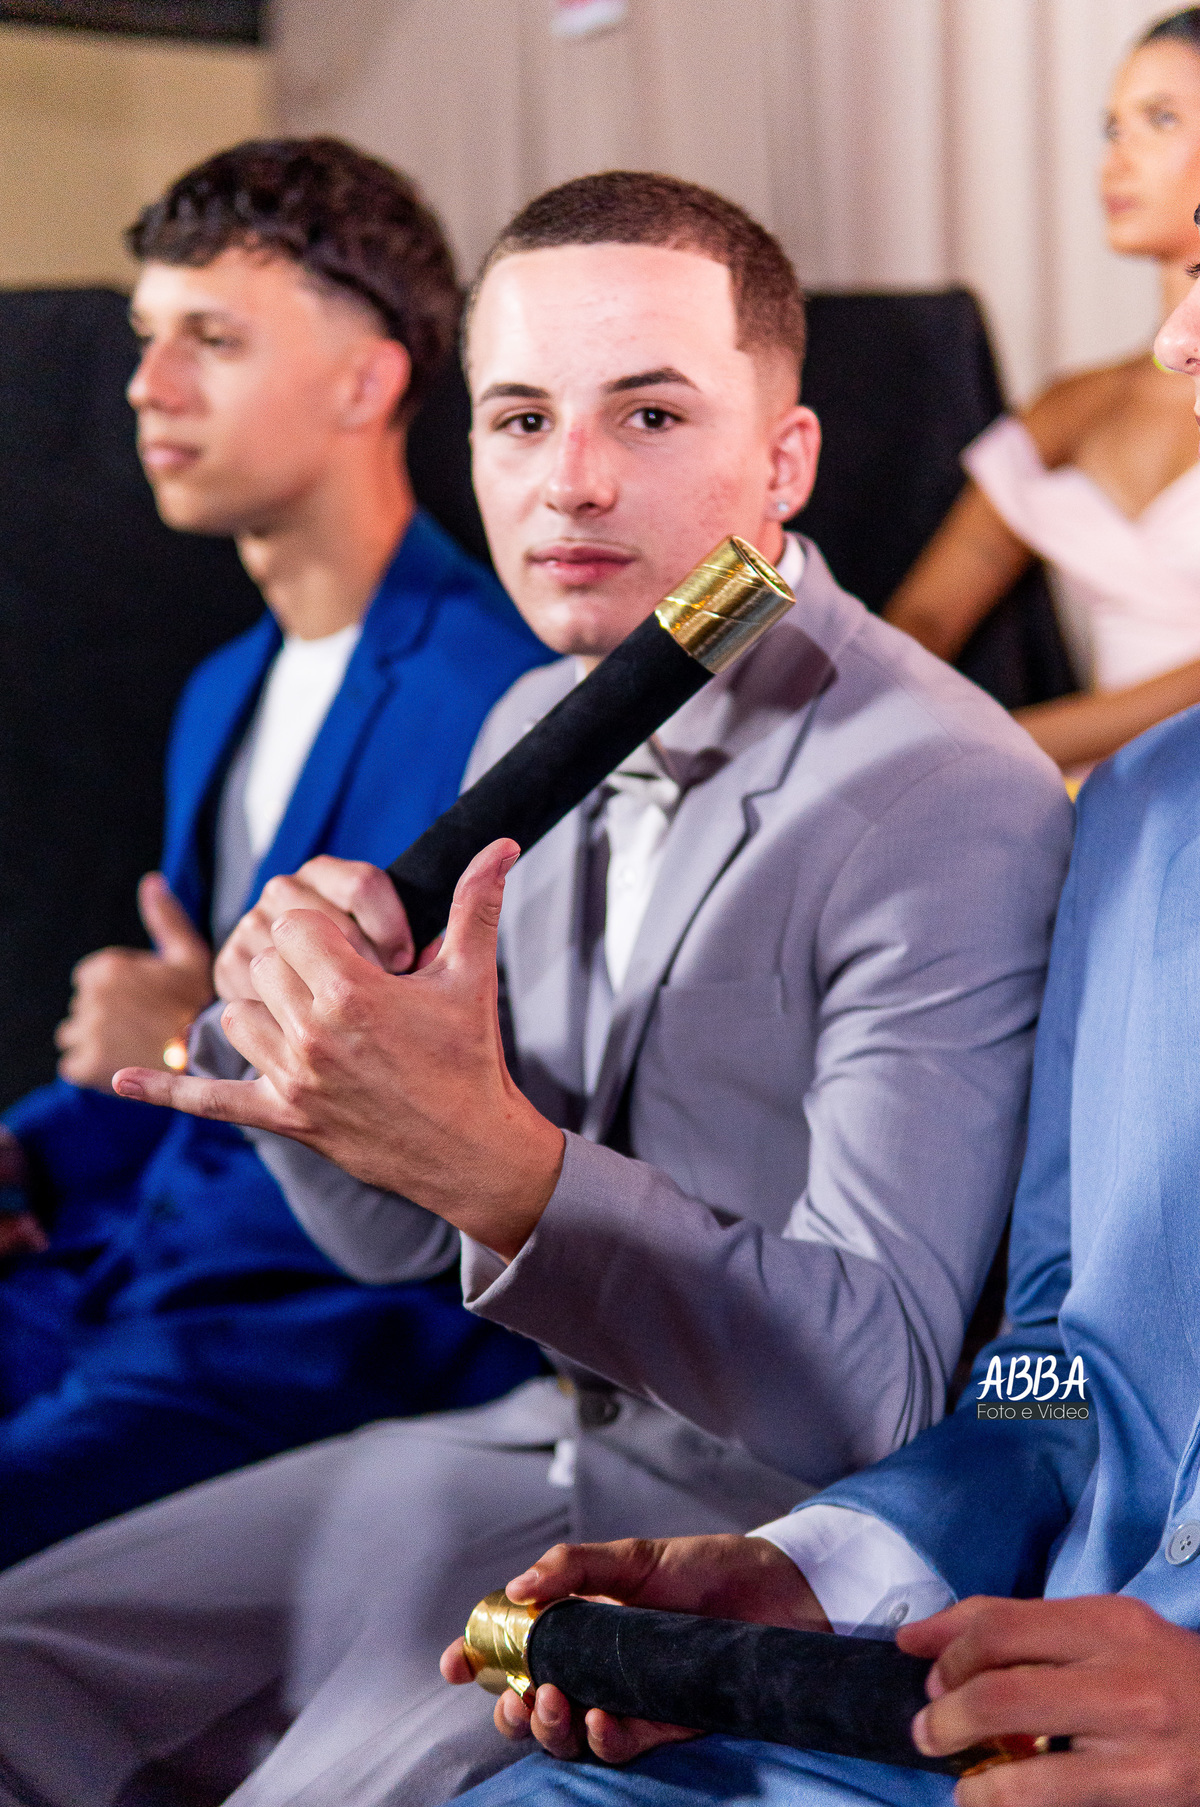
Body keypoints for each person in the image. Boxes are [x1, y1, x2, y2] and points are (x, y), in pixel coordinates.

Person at [0, 172, 1070, 1807]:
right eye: (520, 420)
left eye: (651, 414)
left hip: (767, 1534)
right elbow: (394, 1242)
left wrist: (498, 1161)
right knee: (17, 1661)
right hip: (525, 1440)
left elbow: (877, 1388)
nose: (570, 481)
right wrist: (321, 1058)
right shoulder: (531, 715)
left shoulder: (943, 791)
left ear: (786, 458)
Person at [434, 204, 1200, 1807]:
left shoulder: (959, 786)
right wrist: (822, 1566)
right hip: (957, 1707)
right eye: (1192, 280)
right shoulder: (1140, 815)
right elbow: (1056, 1368)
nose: (1175, 343)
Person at [0, 136, 550, 1570]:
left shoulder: (501, 701)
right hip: (130, 1266)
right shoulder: (221, 688)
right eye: (148, 334)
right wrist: (26, 1151)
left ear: (368, 383)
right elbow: (164, 1073)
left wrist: (179, 1025)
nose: (147, 383)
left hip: (327, 1323)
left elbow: (481, 1122)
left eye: (214, 339)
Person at [886, 6, 1200, 777]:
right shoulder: (1073, 408)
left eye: (1160, 119)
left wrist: (991, 748)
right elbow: (924, 617)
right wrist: (871, 718)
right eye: (1111, 128)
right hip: (1084, 789)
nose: (1116, 159)